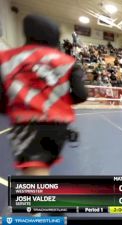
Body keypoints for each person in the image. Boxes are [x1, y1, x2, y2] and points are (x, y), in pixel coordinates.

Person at [0, 14, 88, 176]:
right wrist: (59, 102)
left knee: (34, 172)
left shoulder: (6, 58)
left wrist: (14, 107)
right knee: (41, 168)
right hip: (58, 126)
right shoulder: (67, 61)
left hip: (27, 122)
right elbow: (81, 94)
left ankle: (39, 198)